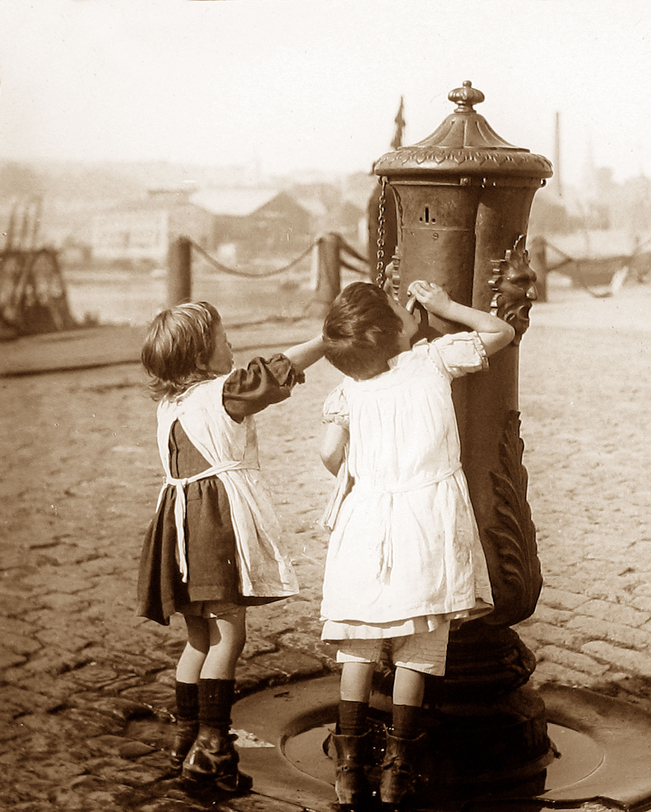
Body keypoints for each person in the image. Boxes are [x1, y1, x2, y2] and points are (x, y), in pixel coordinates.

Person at [319, 280, 515, 809]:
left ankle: (348, 765)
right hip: (426, 520)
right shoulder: (431, 360)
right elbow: (501, 329)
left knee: (358, 642)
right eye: (396, 307)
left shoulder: (350, 389)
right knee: (420, 648)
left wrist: (372, 466)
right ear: (392, 331)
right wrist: (446, 307)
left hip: (367, 520)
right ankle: (399, 770)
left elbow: (330, 455)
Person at [137, 301, 324, 793]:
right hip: (212, 525)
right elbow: (273, 373)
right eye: (224, 339)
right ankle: (214, 748)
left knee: (198, 639)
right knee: (228, 637)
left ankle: (185, 734)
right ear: (201, 355)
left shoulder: (170, 404)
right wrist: (327, 341)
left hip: (178, 526)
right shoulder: (220, 393)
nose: (233, 347)